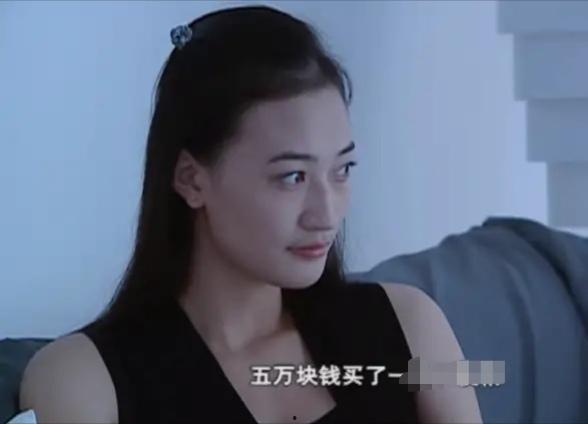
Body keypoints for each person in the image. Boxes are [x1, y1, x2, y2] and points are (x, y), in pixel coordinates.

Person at [18, 5, 483, 423]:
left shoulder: (411, 325)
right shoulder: (84, 380)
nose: (326, 214)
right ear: (191, 179)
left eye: (342, 170)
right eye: (292, 177)